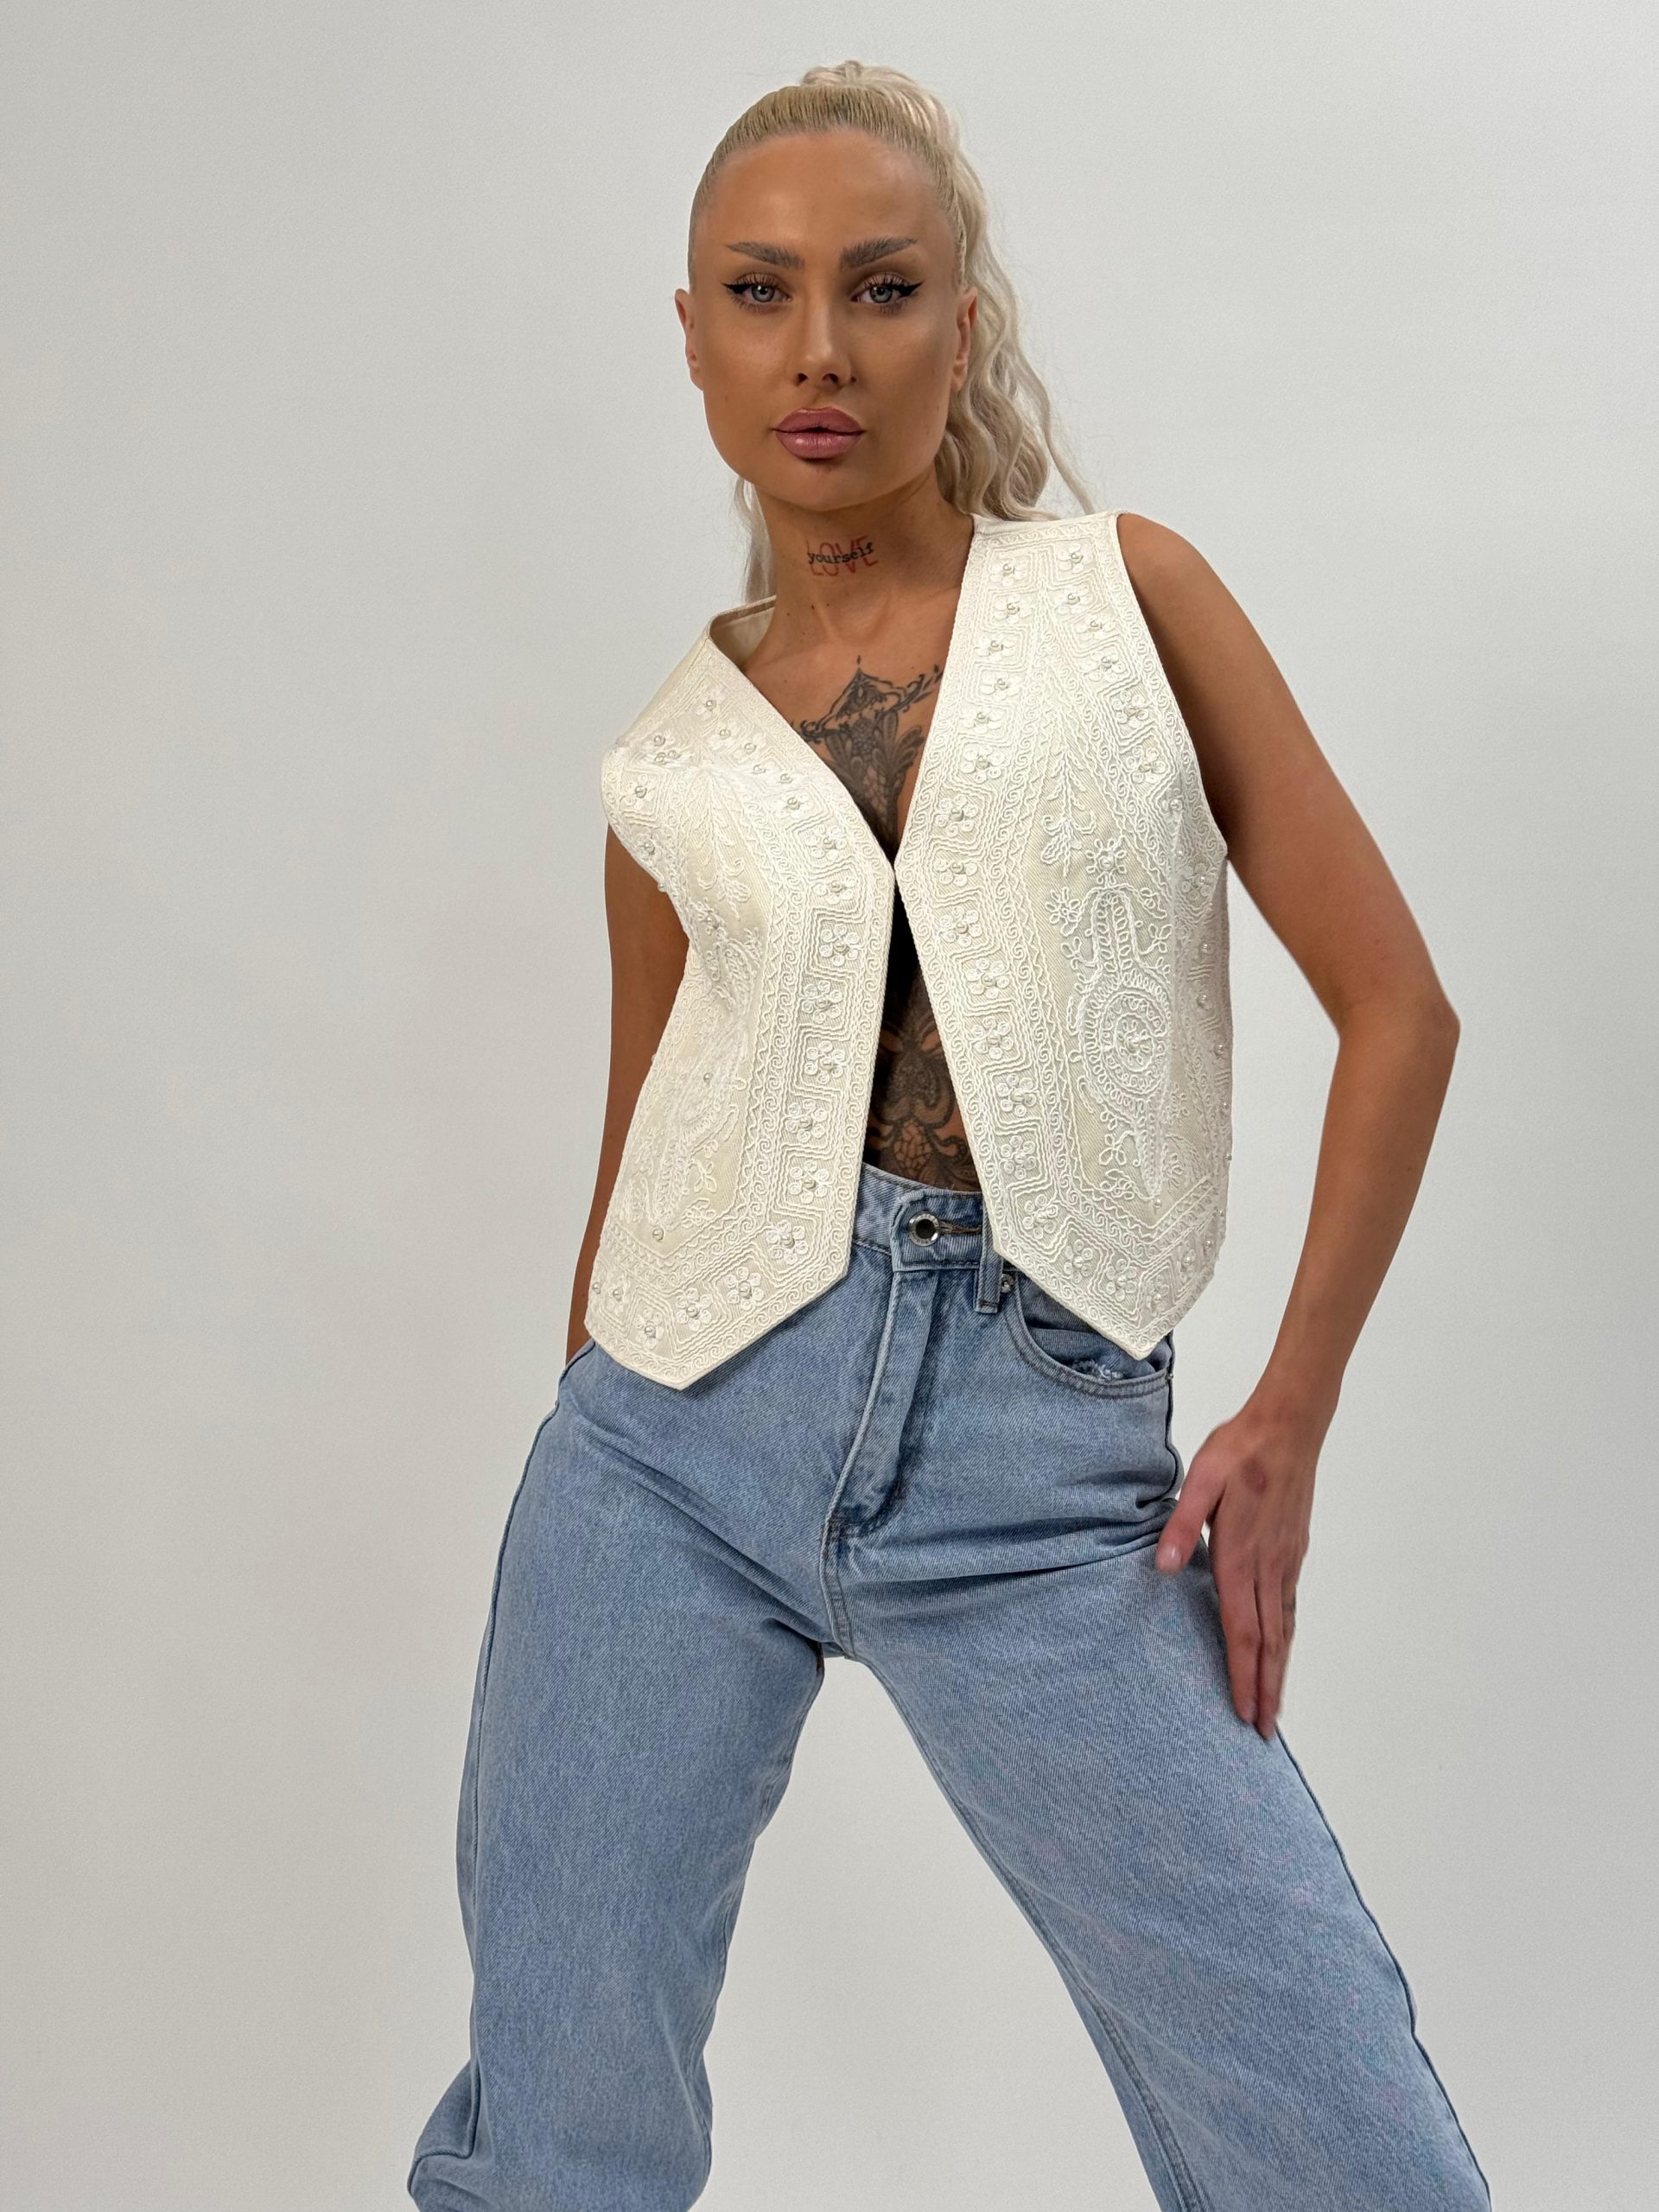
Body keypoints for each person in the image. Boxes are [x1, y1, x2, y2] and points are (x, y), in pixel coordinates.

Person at [408, 59, 1491, 2212]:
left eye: (881, 288)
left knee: (1346, 2143)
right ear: (694, 335)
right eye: (762, 292)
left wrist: (1287, 1408)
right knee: (558, 2147)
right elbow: (629, 1170)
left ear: (961, 325)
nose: (820, 347)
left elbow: (1401, 1008)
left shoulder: (1131, 599)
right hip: (666, 1453)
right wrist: (591, 1434)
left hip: (1044, 1469)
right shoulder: (665, 769)